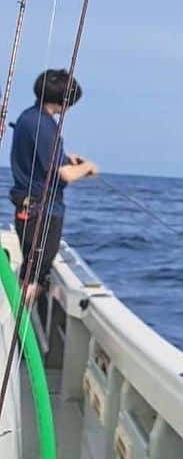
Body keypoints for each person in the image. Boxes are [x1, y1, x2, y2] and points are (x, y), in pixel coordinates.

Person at [8, 69, 98, 319]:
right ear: (62, 100)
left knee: (31, 268)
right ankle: (21, 328)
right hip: (43, 213)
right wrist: (87, 167)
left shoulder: (29, 118)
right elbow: (66, 174)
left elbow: (42, 160)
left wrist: (68, 159)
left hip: (28, 208)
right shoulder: (45, 126)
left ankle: (20, 325)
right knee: (36, 274)